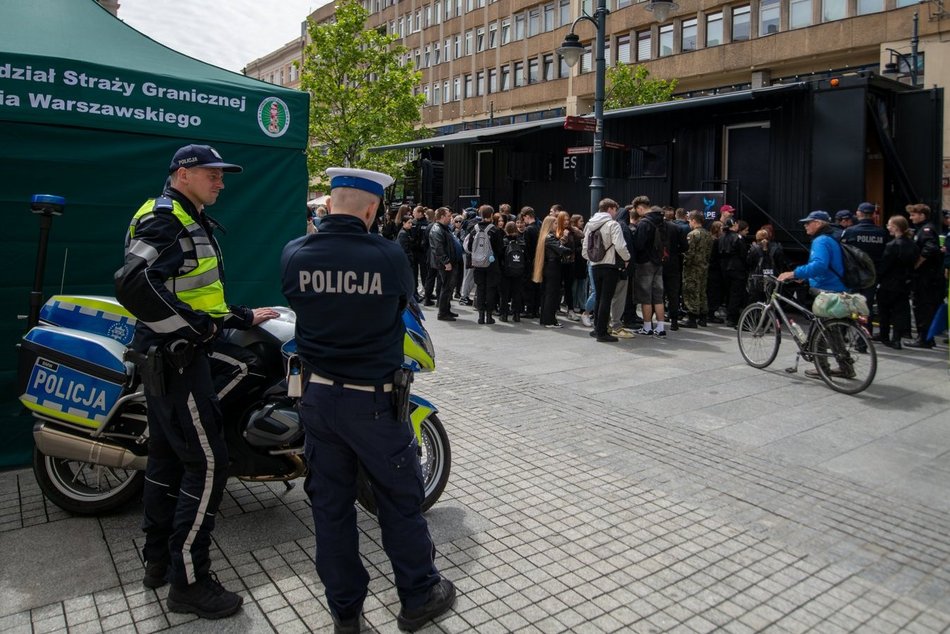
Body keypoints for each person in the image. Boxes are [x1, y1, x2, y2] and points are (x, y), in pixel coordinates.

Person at [281, 168, 455, 633]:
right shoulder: (389, 255)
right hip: (374, 404)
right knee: (399, 501)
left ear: (330, 203)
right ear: (372, 209)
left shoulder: (294, 253)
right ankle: (418, 596)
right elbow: (405, 310)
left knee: (331, 508)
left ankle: (346, 614)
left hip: (317, 400)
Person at [115, 144, 280, 619]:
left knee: (167, 462)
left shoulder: (180, 215)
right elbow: (132, 282)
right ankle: (190, 582)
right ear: (183, 174)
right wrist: (195, 330)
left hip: (166, 358)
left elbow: (189, 290)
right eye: (213, 174)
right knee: (209, 465)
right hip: (179, 358)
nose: (221, 182)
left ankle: (158, 563)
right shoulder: (168, 218)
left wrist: (239, 316)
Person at [778, 210, 848, 378]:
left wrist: (794, 273)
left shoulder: (821, 240)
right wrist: (806, 278)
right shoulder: (832, 238)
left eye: (808, 222)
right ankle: (846, 367)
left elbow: (819, 265)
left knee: (820, 331)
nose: (805, 225)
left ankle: (822, 367)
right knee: (832, 330)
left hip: (826, 290)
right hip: (836, 287)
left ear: (818, 223)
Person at [583, 198, 630, 342]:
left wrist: (592, 259)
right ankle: (602, 333)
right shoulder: (612, 224)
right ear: (610, 209)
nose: (616, 213)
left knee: (598, 297)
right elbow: (620, 246)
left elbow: (585, 250)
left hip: (594, 265)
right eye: (615, 210)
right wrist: (627, 258)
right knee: (606, 299)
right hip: (610, 265)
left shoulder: (590, 225)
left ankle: (597, 329)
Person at [840, 202, 887, 337]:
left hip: (852, 275)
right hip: (872, 276)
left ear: (858, 214)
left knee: (848, 305)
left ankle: (843, 336)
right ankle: (864, 340)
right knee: (867, 307)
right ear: (873, 215)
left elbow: (842, 252)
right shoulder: (882, 233)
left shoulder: (850, 231)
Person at [876, 215, 918, 350]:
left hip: (889, 283)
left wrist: (878, 278)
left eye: (889, 224)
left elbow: (885, 266)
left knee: (885, 311)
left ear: (895, 227)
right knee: (899, 312)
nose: (887, 227)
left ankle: (884, 335)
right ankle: (897, 339)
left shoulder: (892, 245)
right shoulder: (912, 244)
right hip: (904, 283)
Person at [906, 203, 943, 349]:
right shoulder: (921, 229)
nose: (911, 217)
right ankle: (925, 337)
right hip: (926, 276)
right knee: (923, 306)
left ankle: (924, 338)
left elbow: (930, 249)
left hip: (926, 277)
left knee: (923, 307)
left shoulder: (926, 230)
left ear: (922, 215)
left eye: (913, 214)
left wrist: (917, 263)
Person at [632, 205, 669, 337]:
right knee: (658, 296)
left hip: (645, 262)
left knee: (645, 297)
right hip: (659, 262)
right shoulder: (663, 223)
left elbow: (639, 244)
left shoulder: (644, 223)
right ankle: (660, 327)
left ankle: (647, 326)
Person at [467, 204, 505, 324]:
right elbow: (499, 249)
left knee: (480, 288)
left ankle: (480, 316)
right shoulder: (494, 230)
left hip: (478, 264)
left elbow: (469, 247)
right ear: (492, 215)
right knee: (491, 289)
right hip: (491, 264)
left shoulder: (474, 229)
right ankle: (489, 316)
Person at [533, 215, 572, 328]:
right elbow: (561, 250)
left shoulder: (545, 237)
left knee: (547, 294)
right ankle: (549, 320)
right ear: (550, 225)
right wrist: (570, 249)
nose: (557, 225)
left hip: (549, 267)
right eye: (555, 223)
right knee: (551, 294)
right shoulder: (549, 237)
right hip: (552, 267)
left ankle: (546, 319)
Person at [682, 211, 714, 328]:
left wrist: (684, 263)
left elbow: (689, 253)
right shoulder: (708, 234)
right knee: (702, 291)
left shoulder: (693, 234)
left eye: (689, 221)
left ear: (694, 220)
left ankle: (692, 319)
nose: (689, 223)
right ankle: (703, 318)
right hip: (704, 267)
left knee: (691, 291)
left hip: (693, 268)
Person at [428, 207, 460, 321]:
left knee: (448, 287)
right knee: (446, 287)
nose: (450, 218)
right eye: (448, 216)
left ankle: (447, 310)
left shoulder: (444, 228)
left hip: (449, 262)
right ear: (442, 217)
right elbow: (438, 249)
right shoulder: (437, 229)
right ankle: (442, 313)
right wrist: (446, 262)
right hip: (445, 263)